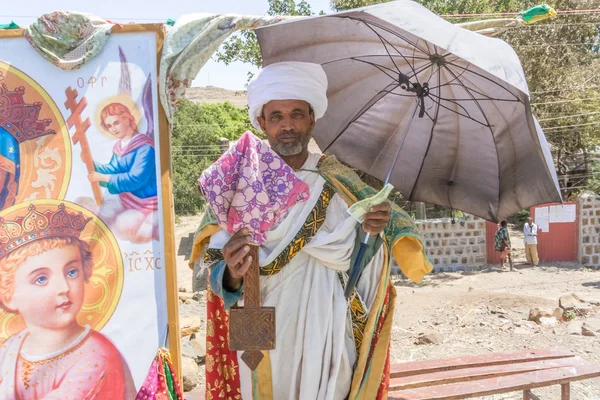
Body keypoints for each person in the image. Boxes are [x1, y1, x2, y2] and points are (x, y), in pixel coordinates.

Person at [189, 62, 432, 400]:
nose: (287, 125)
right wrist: (231, 272)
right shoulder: (238, 180)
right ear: (261, 122)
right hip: (258, 319)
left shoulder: (339, 180)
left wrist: (375, 231)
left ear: (312, 119)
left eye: (297, 114)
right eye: (276, 116)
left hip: (327, 323)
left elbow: (367, 256)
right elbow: (214, 268)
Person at [0, 203, 136, 399]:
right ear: (9, 295)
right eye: (41, 279)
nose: (64, 288)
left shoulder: (96, 355)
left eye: (72, 272)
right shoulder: (10, 349)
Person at [88, 102, 158, 214]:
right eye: (109, 126)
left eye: (116, 123)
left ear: (127, 119)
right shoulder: (119, 147)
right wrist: (91, 164)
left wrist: (104, 178)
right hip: (127, 201)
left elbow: (136, 179)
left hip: (146, 205)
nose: (113, 129)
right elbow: (114, 169)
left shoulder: (145, 147)